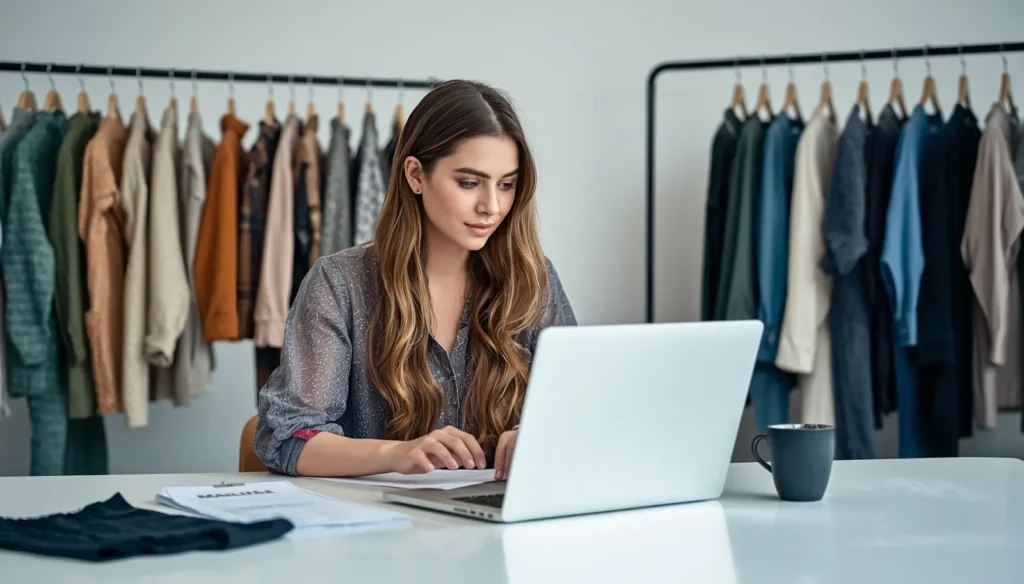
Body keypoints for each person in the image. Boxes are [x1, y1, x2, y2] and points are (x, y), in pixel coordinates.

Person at [253, 80, 576, 480]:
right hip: (373, 529)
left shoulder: (533, 279)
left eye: (506, 185)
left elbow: (580, 411)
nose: (492, 206)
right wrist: (397, 454)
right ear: (415, 175)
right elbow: (290, 438)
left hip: (499, 526)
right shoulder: (341, 284)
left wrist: (533, 434)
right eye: (470, 183)